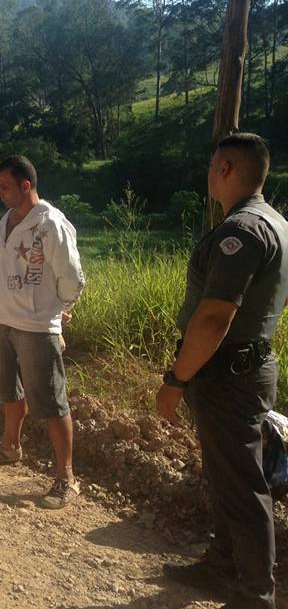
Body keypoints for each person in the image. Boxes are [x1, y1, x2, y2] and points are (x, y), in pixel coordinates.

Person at [157, 133, 288, 609]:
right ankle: (222, 564)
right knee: (228, 474)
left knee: (242, 484)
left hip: (227, 373)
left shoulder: (242, 231)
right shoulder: (276, 222)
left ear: (226, 169)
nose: (209, 173)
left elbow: (214, 317)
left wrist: (176, 381)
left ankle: (255, 595)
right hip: (247, 365)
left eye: (213, 164)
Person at [0, 155, 85, 511]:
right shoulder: (8, 219)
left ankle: (66, 477)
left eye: (5, 187)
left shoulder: (51, 224)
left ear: (26, 186)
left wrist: (62, 306)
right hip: (5, 320)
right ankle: (10, 447)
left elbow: (71, 274)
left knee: (52, 401)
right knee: (10, 391)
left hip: (37, 325)